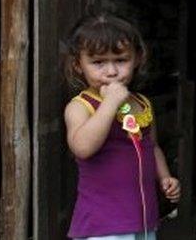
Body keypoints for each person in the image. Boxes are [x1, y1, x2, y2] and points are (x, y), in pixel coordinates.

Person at [63, 13, 180, 240]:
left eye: (121, 60)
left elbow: (152, 147)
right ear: (79, 65)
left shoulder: (142, 103)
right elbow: (82, 148)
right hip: (103, 222)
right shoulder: (81, 106)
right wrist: (110, 103)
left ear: (137, 59)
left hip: (142, 218)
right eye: (98, 62)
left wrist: (165, 177)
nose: (111, 72)